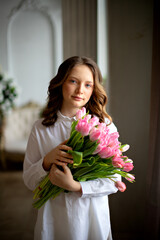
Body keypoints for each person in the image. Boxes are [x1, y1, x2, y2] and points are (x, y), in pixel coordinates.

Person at [23, 56, 121, 240]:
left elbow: (114, 180)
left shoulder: (104, 127)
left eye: (88, 85)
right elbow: (29, 180)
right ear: (60, 82)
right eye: (73, 81)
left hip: (92, 219)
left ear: (94, 89)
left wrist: (75, 186)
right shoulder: (41, 128)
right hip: (53, 219)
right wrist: (46, 161)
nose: (80, 90)